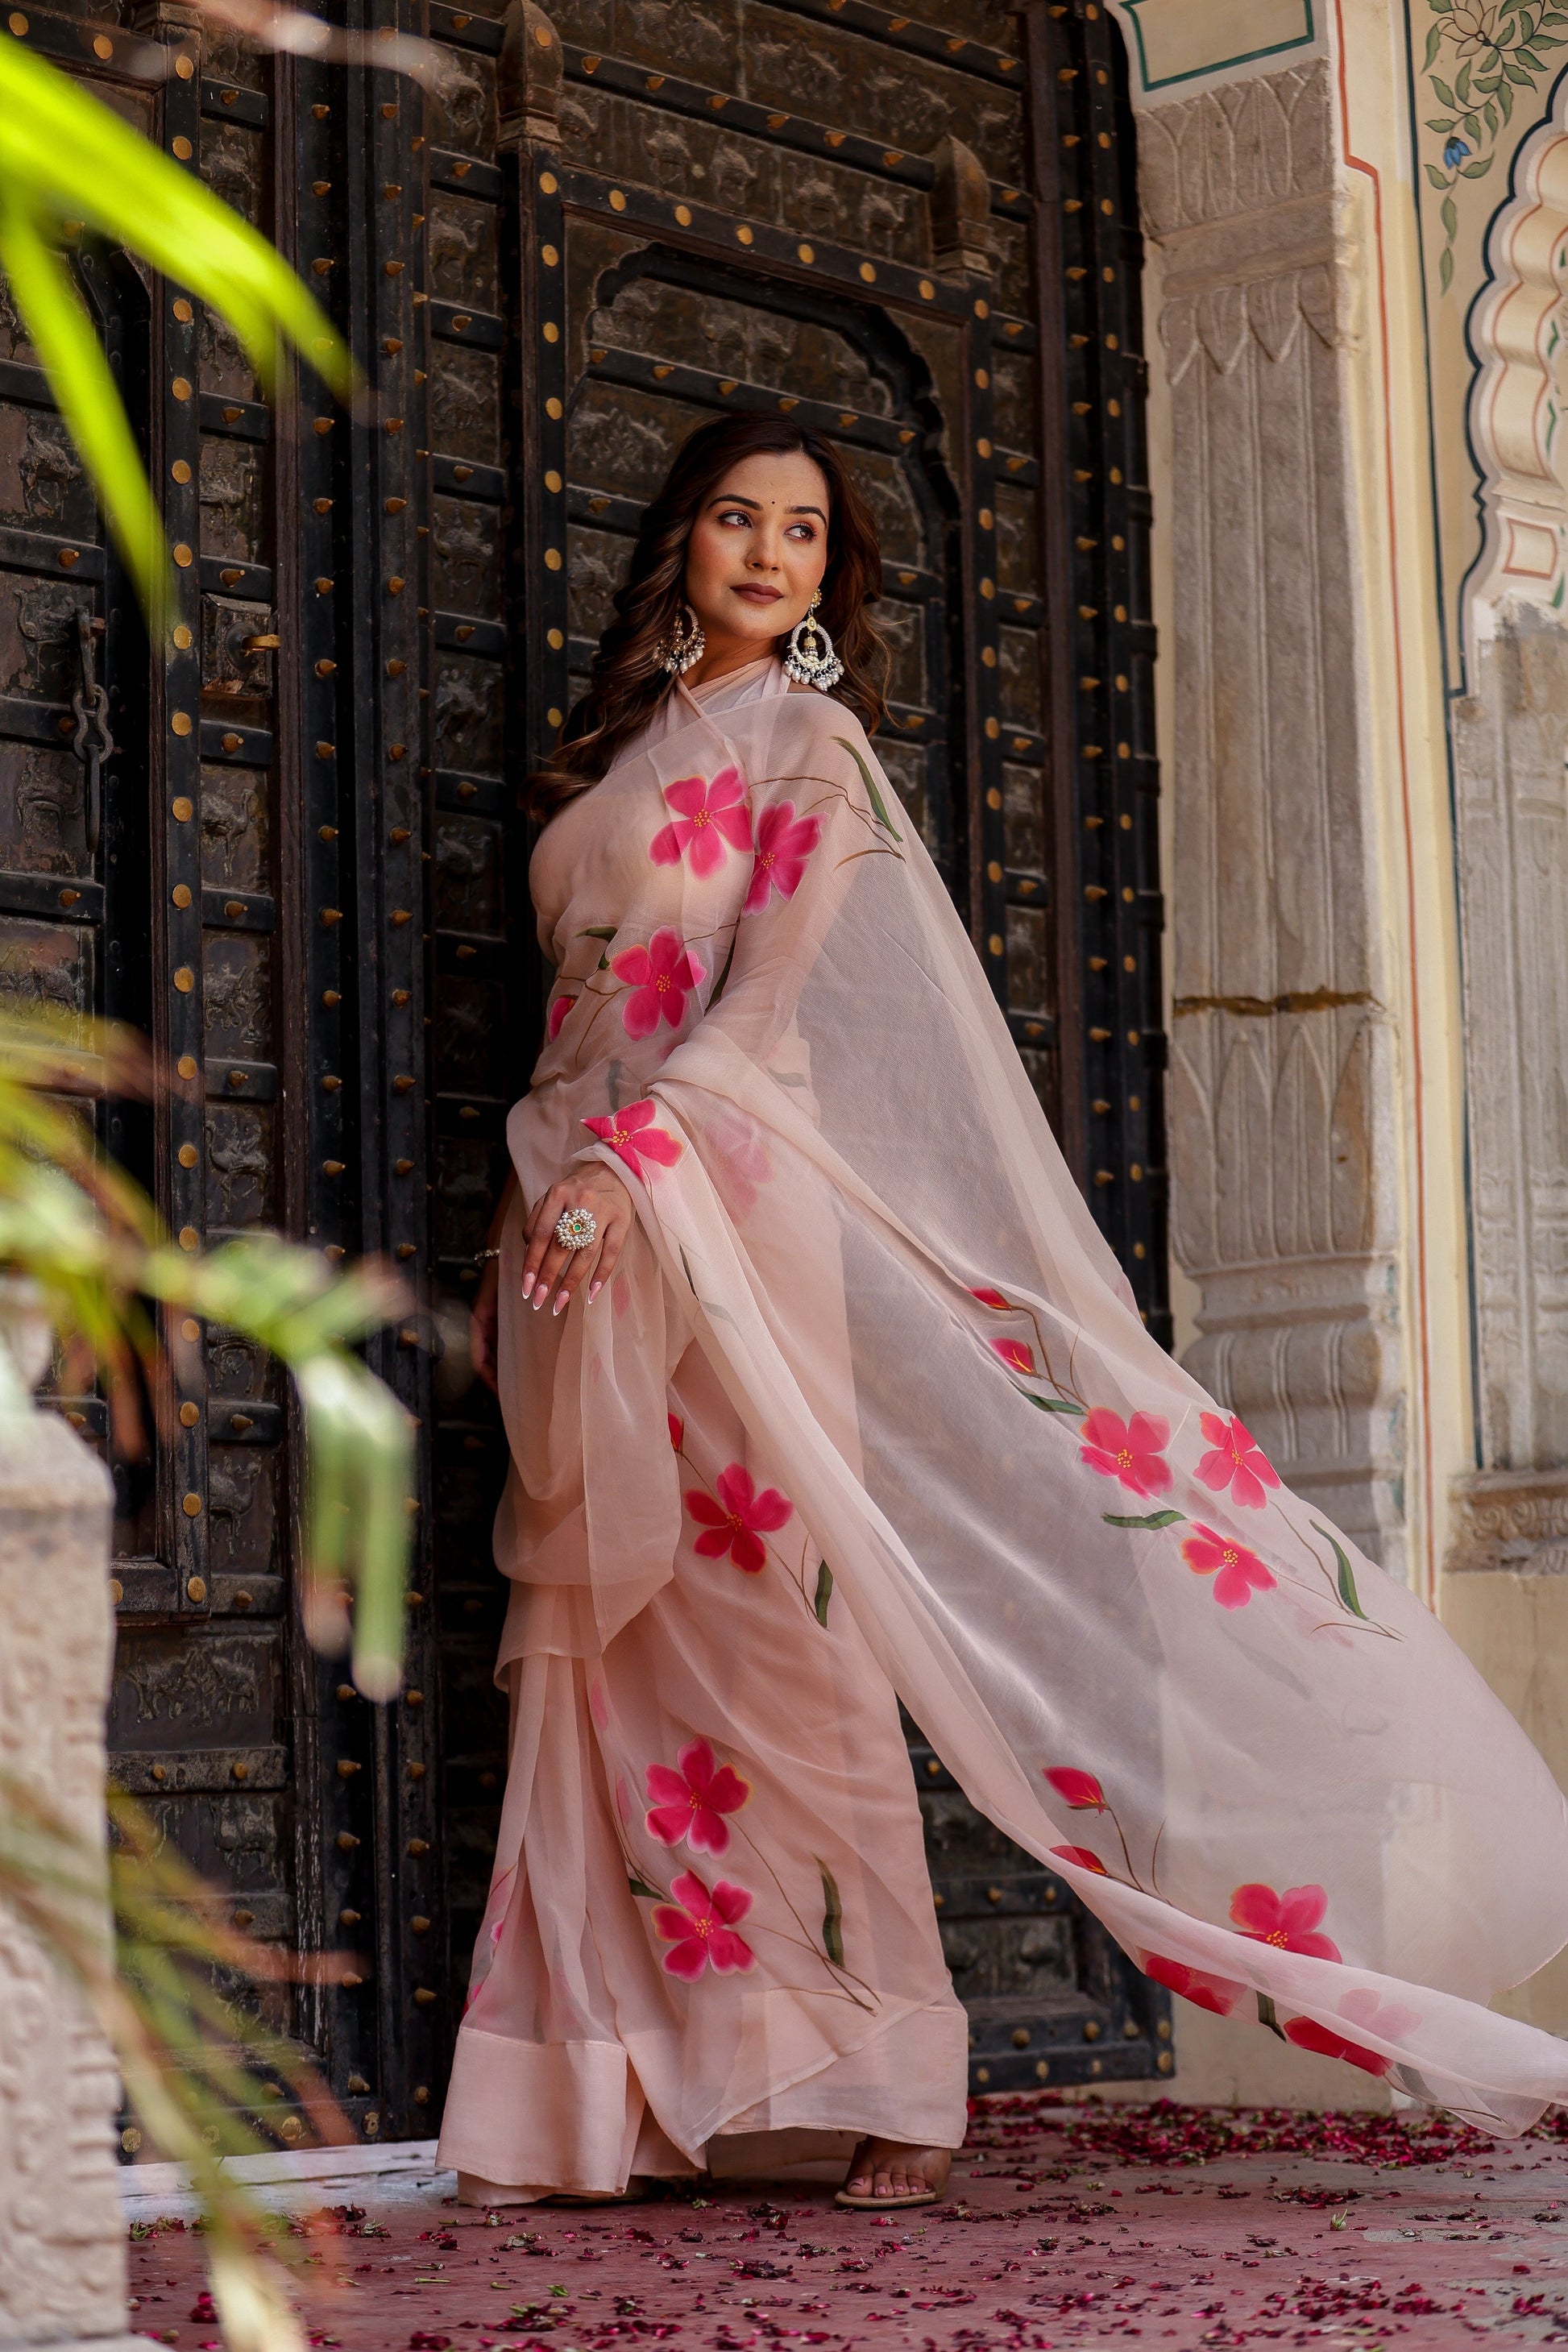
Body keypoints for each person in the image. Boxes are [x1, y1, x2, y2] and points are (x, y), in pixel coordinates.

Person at [438, 413, 1568, 2211]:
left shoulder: (810, 745)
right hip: (574, 1226)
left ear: (832, 577)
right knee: (606, 1657)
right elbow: (580, 1024)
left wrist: (623, 1169)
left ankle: (898, 2071)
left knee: (785, 1649)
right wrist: (547, 1210)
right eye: (735, 517)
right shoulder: (621, 750)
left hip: (708, 1207)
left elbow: (757, 1011)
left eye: (803, 532)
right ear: (680, 542)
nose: (767, 553)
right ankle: (590, 2089)